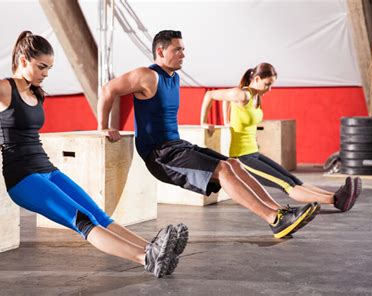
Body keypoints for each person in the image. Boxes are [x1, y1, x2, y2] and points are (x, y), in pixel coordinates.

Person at [0, 31, 187, 278]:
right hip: (23, 178)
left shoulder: (34, 91)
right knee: (82, 221)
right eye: (41, 67)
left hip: (47, 169)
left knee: (99, 215)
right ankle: (146, 258)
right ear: (23, 59)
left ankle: (153, 248)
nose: (45, 73)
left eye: (49, 68)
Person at [98, 30, 319, 239]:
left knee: (234, 164)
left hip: (177, 146)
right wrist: (103, 126)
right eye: (177, 49)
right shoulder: (147, 75)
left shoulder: (174, 77)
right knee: (223, 169)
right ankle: (273, 219)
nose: (183, 54)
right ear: (160, 51)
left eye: (183, 49)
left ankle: (280, 212)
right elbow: (108, 89)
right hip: (160, 155)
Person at [200, 63, 362, 212]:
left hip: (254, 152)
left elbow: (232, 109)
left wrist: (229, 119)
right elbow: (210, 95)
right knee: (286, 185)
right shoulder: (242, 94)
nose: (269, 89)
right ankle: (336, 200)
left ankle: (338, 193)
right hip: (242, 157)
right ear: (256, 79)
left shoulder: (257, 96)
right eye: (267, 84)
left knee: (293, 179)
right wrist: (204, 122)